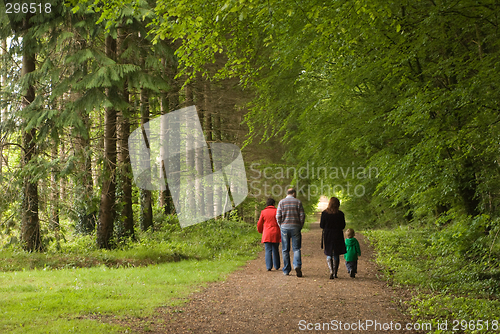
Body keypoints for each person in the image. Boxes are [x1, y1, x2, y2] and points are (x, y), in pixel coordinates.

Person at [276, 188, 305, 277]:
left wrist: (281, 226)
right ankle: (297, 265)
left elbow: (278, 216)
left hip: (284, 227)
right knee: (296, 248)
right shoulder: (298, 202)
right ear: (293, 193)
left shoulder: (281, 202)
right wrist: (300, 226)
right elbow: (302, 216)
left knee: (285, 249)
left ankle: (286, 270)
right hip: (296, 227)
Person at [320, 197, 346, 279]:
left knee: (329, 252)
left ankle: (331, 270)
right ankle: (335, 272)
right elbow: (343, 226)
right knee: (336, 253)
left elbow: (321, 225)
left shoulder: (324, 213)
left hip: (328, 234)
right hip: (338, 234)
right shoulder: (340, 214)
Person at [257, 198, 281, 271]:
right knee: (275, 249)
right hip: (276, 232)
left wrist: (260, 231)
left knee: (268, 250)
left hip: (267, 233)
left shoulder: (263, 212)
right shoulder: (277, 211)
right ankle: (277, 266)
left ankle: (269, 267)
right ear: (273, 204)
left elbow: (259, 223)